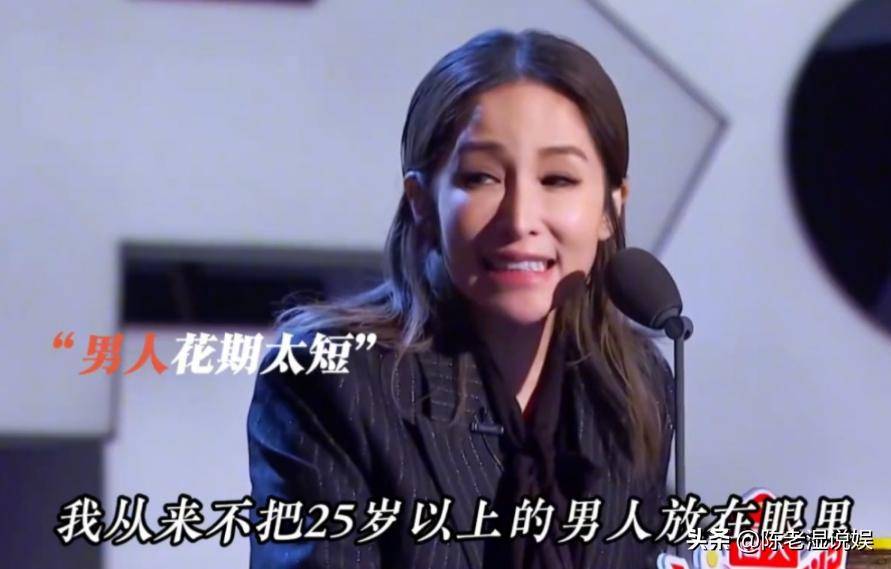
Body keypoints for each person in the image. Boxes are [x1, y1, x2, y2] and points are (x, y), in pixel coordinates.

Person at [247, 27, 676, 569]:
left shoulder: (634, 385)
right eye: (481, 178)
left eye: (558, 180)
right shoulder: (330, 377)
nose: (520, 220)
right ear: (422, 202)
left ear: (611, 209)